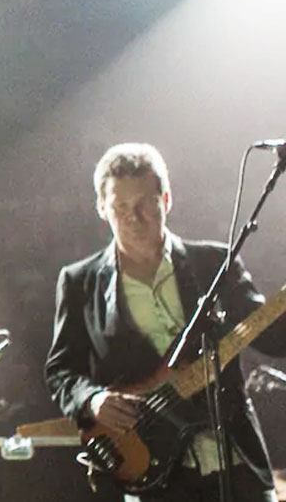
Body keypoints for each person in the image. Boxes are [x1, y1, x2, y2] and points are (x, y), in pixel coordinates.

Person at [45, 142, 286, 502]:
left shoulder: (214, 263)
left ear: (167, 200)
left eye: (146, 203)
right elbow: (61, 371)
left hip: (236, 464)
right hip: (153, 473)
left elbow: (273, 338)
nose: (134, 217)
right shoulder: (80, 282)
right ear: (101, 208)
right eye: (120, 206)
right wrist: (93, 400)